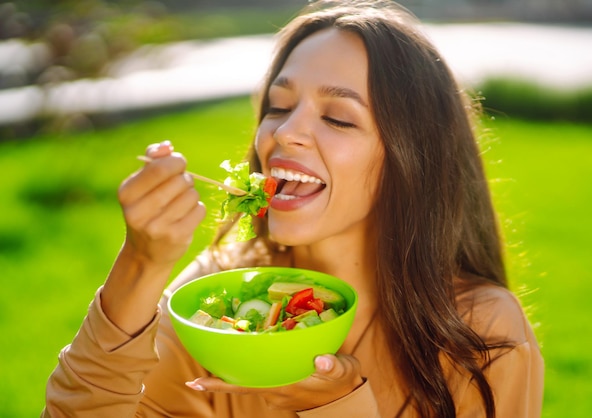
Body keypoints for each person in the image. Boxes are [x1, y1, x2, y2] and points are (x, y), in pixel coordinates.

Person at [42, 1, 544, 417]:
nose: (283, 133)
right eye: (279, 107)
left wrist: (337, 408)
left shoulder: (481, 332)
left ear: (415, 160)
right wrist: (142, 263)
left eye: (339, 118)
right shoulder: (224, 297)